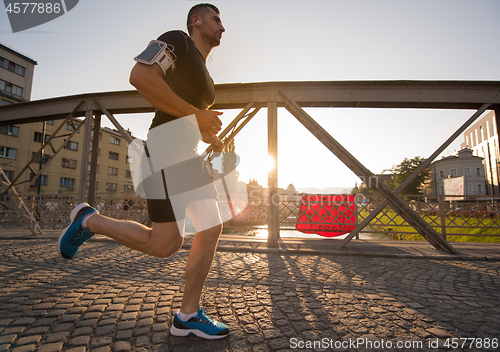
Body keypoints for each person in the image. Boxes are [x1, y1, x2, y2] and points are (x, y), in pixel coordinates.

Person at [57, 3, 229, 340]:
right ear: (196, 20)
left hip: (187, 153)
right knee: (172, 241)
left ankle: (187, 316)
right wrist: (196, 114)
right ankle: (88, 221)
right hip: (165, 150)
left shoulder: (205, 76)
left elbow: (185, 111)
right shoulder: (177, 41)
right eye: (216, 19)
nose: (222, 27)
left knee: (199, 231)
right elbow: (140, 76)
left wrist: (211, 134)